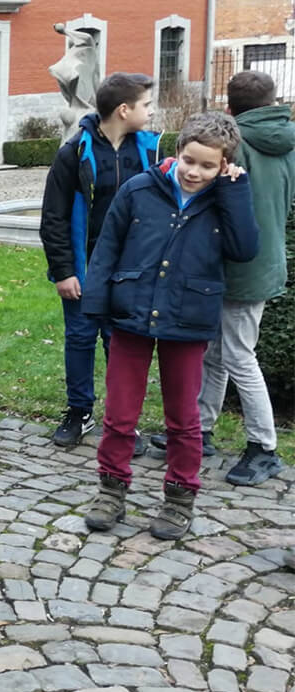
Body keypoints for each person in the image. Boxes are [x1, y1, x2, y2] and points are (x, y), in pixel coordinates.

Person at [81, 112, 259, 540]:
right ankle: (111, 488)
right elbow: (107, 248)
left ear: (224, 165)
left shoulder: (226, 198)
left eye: (207, 165)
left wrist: (235, 192)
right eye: (189, 160)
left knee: (183, 418)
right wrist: (97, 305)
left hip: (188, 317)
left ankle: (180, 497)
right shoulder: (140, 189)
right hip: (131, 315)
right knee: (121, 413)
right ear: (177, 152)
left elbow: (244, 248)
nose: (194, 172)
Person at [170, 70, 289, 486]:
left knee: (238, 355)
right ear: (273, 101)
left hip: (238, 266)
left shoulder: (235, 146)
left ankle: (264, 447)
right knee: (217, 354)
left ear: (230, 107)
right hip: (268, 259)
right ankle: (199, 431)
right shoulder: (286, 140)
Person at [40, 72, 161, 448]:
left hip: (130, 271)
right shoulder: (74, 153)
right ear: (124, 110)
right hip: (85, 267)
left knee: (120, 342)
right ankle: (80, 411)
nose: (151, 111)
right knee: (80, 338)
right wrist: (64, 271)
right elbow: (54, 218)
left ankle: (123, 421)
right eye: (146, 105)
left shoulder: (150, 152)